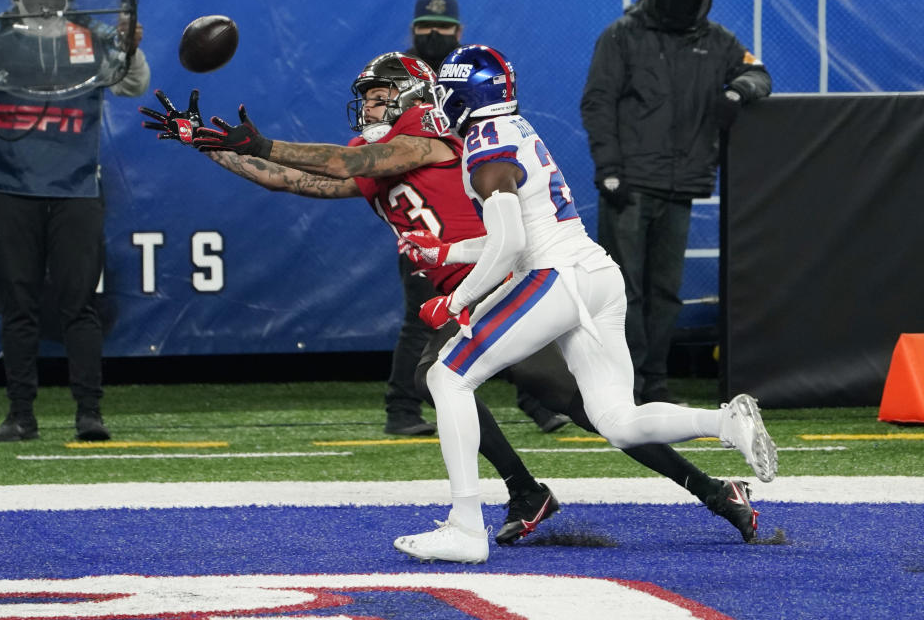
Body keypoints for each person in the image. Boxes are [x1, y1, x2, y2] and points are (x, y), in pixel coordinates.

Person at [141, 51, 766, 548]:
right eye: (365, 96)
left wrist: (257, 141)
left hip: (506, 280)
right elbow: (292, 179)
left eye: (379, 93)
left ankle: (528, 497)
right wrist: (211, 144)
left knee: (452, 378)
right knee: (579, 404)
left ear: (413, 97)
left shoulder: (426, 138)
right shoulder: (386, 158)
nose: (368, 104)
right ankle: (709, 489)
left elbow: (336, 160)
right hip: (491, 284)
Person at [393, 44, 777, 564]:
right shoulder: (512, 131)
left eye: (447, 92)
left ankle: (465, 526)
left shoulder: (485, 144)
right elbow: (517, 232)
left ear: (465, 95)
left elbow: (511, 247)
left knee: (447, 376)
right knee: (617, 419)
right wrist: (447, 251)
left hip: (558, 277)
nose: (441, 101)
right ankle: (724, 423)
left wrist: (456, 300)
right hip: (595, 274)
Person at [0, 0, 150, 442]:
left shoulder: (91, 37)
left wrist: (131, 48)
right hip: (9, 188)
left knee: (78, 305)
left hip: (77, 189)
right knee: (18, 306)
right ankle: (20, 416)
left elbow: (133, 84)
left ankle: (89, 413)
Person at [381, 0, 569, 436]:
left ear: (458, 31)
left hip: (481, 200)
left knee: (515, 299)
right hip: (431, 209)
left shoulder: (472, 75)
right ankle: (401, 409)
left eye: (442, 27)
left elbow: (503, 127)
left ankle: (537, 399)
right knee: (422, 317)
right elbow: (382, 139)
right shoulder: (401, 77)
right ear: (413, 29)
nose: (433, 33)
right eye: (425, 25)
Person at [580, 0, 772, 405]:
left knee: (665, 294)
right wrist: (609, 168)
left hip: (682, 186)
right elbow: (598, 101)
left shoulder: (717, 40)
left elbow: (758, 74)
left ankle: (655, 384)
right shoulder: (621, 34)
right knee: (620, 292)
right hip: (628, 185)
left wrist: (738, 91)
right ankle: (619, 387)